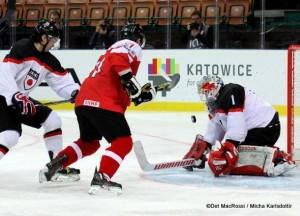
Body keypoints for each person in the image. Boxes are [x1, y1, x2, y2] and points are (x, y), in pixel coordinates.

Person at [39, 24, 156, 195]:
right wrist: (135, 87)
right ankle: (102, 177)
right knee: (123, 142)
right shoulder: (129, 45)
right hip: (101, 102)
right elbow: (119, 61)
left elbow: (118, 83)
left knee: (89, 143)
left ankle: (57, 164)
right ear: (138, 39)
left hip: (84, 100)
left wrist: (140, 96)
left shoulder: (110, 50)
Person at [0, 19, 80, 181]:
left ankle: (54, 167)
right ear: (43, 38)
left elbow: (63, 82)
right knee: (10, 136)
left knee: (53, 120)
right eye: (52, 39)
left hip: (20, 101)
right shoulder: (22, 48)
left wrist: (76, 92)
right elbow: (4, 73)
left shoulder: (50, 60)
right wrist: (16, 95)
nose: (54, 43)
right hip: (3, 97)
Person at [182, 75, 296, 177]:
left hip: (266, 127)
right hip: (256, 129)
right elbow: (216, 126)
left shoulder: (230, 91)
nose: (206, 95)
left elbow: (237, 125)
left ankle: (277, 160)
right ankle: (274, 154)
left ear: (215, 88)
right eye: (204, 92)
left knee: (229, 162)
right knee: (227, 158)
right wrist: (205, 145)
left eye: (207, 91)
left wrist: (230, 146)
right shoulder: (218, 102)